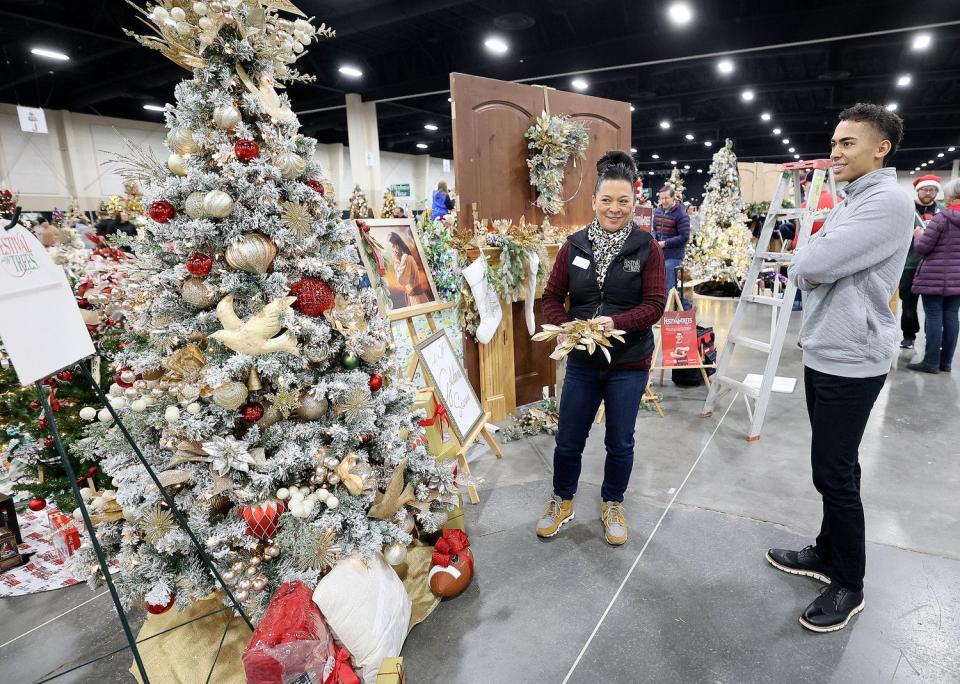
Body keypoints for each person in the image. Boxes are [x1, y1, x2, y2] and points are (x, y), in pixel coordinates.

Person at [770, 103, 913, 633]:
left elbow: (809, 264)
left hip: (853, 358)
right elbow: (816, 262)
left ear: (882, 149)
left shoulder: (890, 202)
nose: (835, 152)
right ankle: (828, 552)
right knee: (835, 466)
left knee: (834, 473)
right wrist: (818, 254)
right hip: (830, 349)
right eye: (834, 142)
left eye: (848, 143)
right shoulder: (856, 198)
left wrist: (814, 255)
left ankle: (849, 581)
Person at [536, 150, 665, 546]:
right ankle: (562, 500)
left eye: (623, 201)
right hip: (582, 361)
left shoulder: (648, 248)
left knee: (620, 440)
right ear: (593, 202)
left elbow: (655, 305)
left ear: (634, 203)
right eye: (606, 200)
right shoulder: (573, 246)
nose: (614, 208)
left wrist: (615, 322)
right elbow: (552, 296)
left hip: (629, 362)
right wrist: (563, 325)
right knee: (569, 437)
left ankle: (613, 501)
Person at [907, 178, 960, 374]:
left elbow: (923, 247)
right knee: (952, 317)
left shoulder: (943, 217)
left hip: (934, 277)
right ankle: (945, 363)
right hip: (958, 279)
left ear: (952, 196)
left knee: (934, 317)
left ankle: (931, 362)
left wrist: (919, 235)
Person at [900, 174, 944, 349]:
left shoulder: (941, 212)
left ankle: (931, 337)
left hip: (934, 265)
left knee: (932, 306)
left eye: (932, 190)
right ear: (918, 190)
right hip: (909, 263)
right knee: (908, 304)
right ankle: (908, 336)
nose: (928, 193)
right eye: (925, 189)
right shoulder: (907, 210)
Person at [653, 185, 690, 305]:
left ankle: (684, 310)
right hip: (659, 254)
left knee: (669, 288)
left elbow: (684, 237)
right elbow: (655, 230)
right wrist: (654, 239)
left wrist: (665, 243)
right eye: (661, 198)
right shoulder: (658, 211)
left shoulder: (681, 214)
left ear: (673, 198)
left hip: (674, 256)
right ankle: (686, 310)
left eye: (666, 198)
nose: (663, 201)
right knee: (661, 287)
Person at [388, 232, 430, 306]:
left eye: (393, 245)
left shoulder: (406, 258)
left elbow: (401, 280)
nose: (393, 249)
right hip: (414, 296)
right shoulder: (405, 258)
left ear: (397, 245)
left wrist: (396, 260)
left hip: (416, 298)